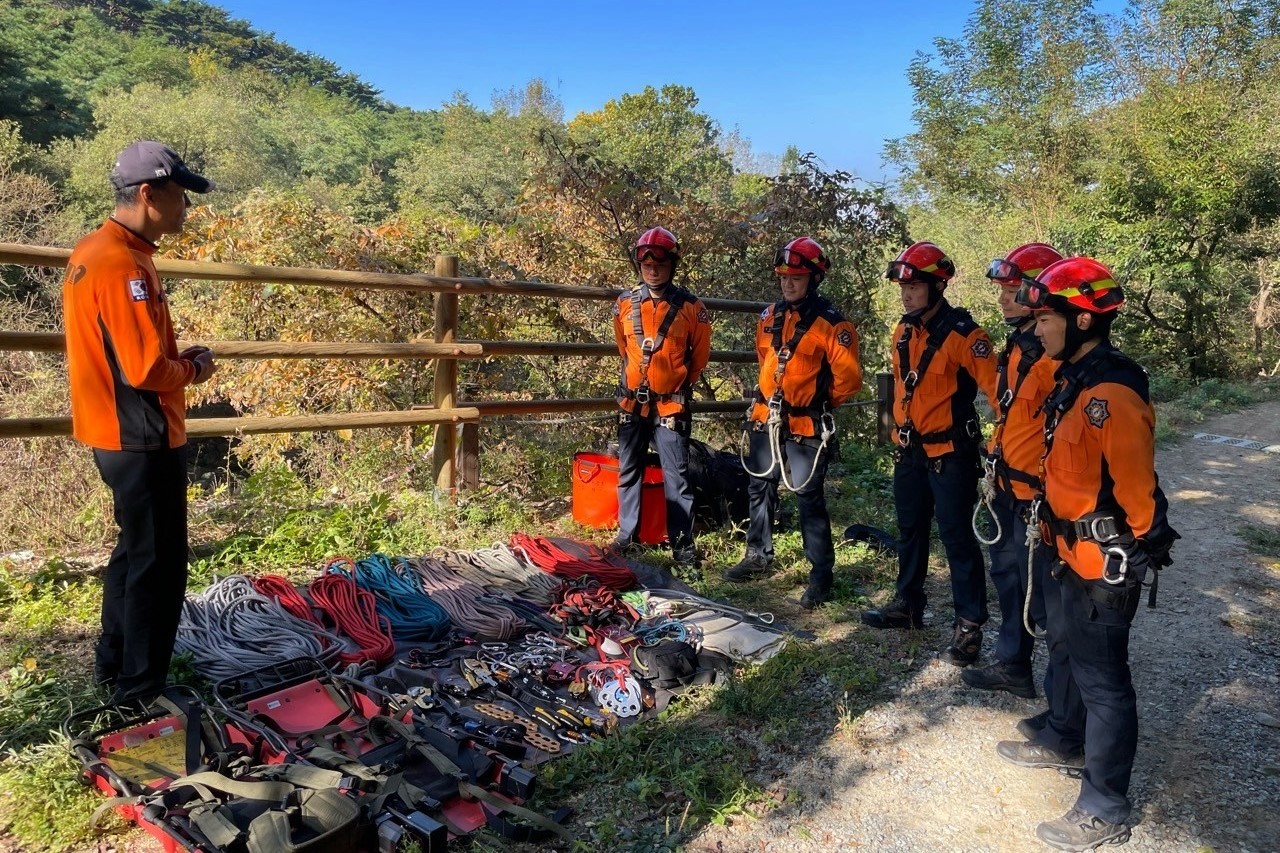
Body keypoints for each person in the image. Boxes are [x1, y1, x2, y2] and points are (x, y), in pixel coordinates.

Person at [994, 257, 1178, 851]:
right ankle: (1063, 733)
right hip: (1061, 548)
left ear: (1080, 320)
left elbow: (1137, 492)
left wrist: (1139, 546)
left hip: (1102, 561)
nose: (1036, 325)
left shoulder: (1112, 392)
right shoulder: (1068, 375)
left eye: (1046, 317)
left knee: (1104, 681)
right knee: (1065, 648)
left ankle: (1105, 803)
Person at [63, 141, 217, 702]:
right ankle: (141, 691)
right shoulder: (123, 263)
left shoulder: (92, 249)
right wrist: (195, 368)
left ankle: (114, 669)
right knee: (160, 564)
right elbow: (146, 368)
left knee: (135, 552)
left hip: (111, 430)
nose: (186, 209)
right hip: (141, 432)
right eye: (181, 196)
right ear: (149, 194)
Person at [862, 241, 999, 666]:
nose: (906, 293)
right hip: (910, 452)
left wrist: (1001, 447)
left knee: (958, 540)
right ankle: (908, 605)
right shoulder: (902, 331)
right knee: (910, 531)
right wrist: (897, 433)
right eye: (902, 286)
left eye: (915, 286)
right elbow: (905, 390)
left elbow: (1001, 396)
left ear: (937, 286)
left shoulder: (967, 336)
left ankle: (970, 625)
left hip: (951, 454)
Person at [724, 237, 862, 609]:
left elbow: (849, 380)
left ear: (813, 278)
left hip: (806, 424)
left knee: (807, 497)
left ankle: (820, 575)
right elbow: (763, 359)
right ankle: (757, 555)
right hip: (767, 417)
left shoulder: (833, 324)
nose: (788, 283)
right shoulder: (770, 317)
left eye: (796, 277)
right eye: (783, 276)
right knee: (759, 486)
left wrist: (815, 402)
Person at [962, 243, 1062, 702]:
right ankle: (1013, 666)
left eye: (1012, 289)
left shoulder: (1053, 352)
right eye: (1001, 289)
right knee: (1008, 577)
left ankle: (1068, 703)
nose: (1003, 298)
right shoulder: (1022, 344)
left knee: (1045, 596)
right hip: (1008, 482)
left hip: (1037, 494)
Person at [611, 226, 711, 570]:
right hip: (632, 403)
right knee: (628, 469)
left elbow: (698, 359)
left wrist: (673, 381)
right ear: (639, 263)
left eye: (660, 261)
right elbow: (624, 350)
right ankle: (626, 535)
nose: (653, 267)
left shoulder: (691, 308)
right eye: (646, 261)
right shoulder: (625, 303)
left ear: (672, 263)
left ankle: (682, 545)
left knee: (677, 477)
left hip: (671, 404)